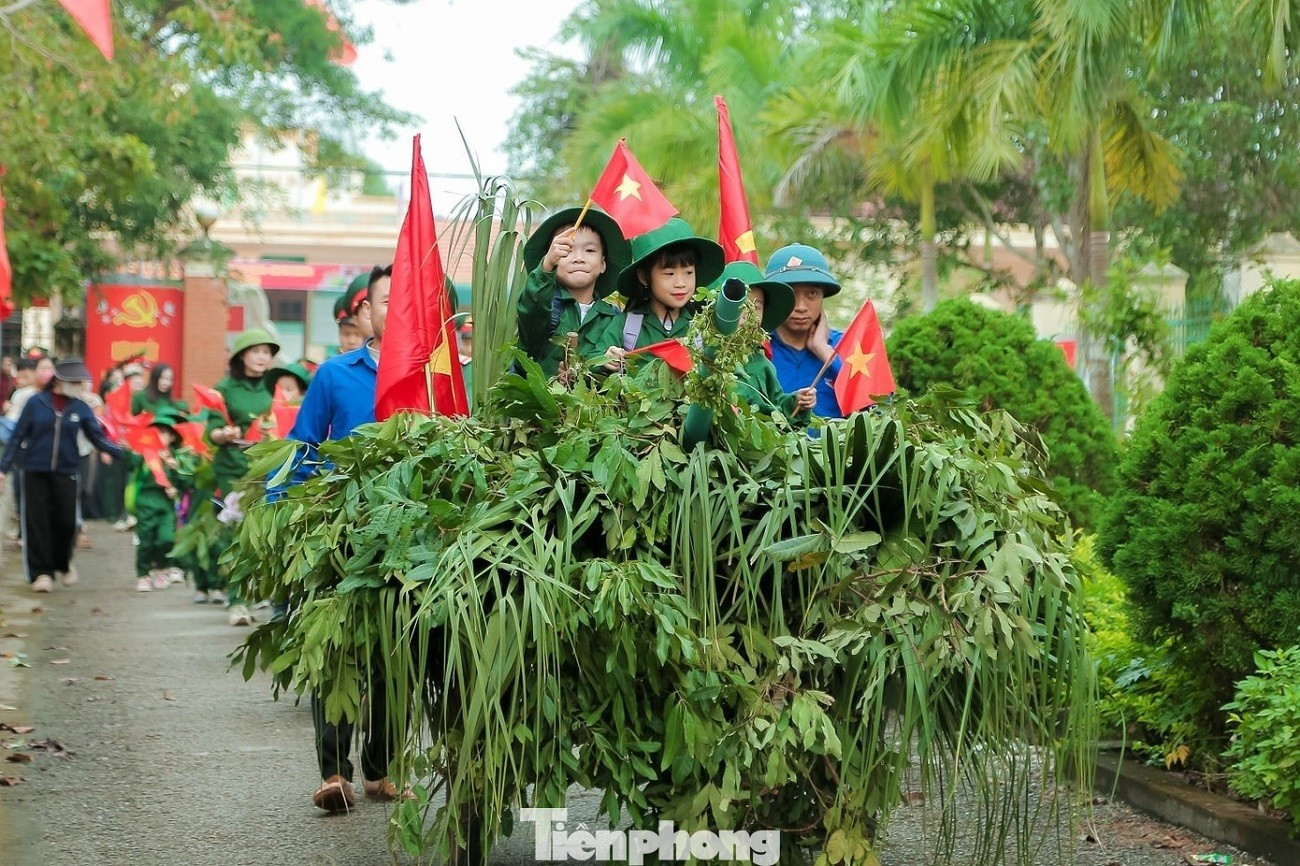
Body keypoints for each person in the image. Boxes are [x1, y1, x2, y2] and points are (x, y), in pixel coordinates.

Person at [281, 266, 400, 812]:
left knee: (397, 653)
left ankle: (381, 767)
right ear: (366, 311)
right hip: (342, 533)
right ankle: (334, 772)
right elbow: (302, 447)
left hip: (410, 536)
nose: (398, 306)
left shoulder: (439, 374)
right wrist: (285, 512)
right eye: (387, 298)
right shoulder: (334, 374)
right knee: (337, 651)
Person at [0, 359, 124, 592]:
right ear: (60, 381)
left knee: (67, 522)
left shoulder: (80, 407)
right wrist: (3, 469)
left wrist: (122, 452)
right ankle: (42, 574)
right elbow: (17, 437)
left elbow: (97, 438)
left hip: (67, 471)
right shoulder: (36, 403)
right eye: (75, 382)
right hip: (34, 471)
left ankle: (63, 564)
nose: (80, 386)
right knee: (36, 522)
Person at [204, 328, 278, 626]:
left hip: (267, 466)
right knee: (238, 533)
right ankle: (237, 601)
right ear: (241, 356)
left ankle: (258, 591)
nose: (262, 357)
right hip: (233, 468)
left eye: (266, 352)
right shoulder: (224, 388)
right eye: (256, 351)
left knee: (263, 533)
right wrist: (223, 433)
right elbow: (211, 431)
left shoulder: (276, 386)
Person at [516, 205, 631, 377]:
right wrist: (546, 266)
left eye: (590, 250)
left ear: (603, 264)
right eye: (568, 250)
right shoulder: (545, 306)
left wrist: (607, 362)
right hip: (538, 394)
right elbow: (531, 308)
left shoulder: (613, 318)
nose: (579, 258)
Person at [598, 218, 725, 369]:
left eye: (689, 273)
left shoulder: (702, 328)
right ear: (644, 277)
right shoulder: (625, 325)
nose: (681, 283)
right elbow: (593, 360)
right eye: (669, 274)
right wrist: (606, 359)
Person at [708, 261, 816, 418]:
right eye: (742, 305)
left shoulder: (762, 363)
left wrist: (796, 402)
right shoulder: (705, 355)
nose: (749, 315)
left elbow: (776, 406)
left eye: (757, 307)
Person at [764, 243, 846, 419]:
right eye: (791, 294)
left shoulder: (845, 345)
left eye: (812, 294)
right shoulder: (759, 348)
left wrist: (824, 351)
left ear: (823, 296)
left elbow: (877, 404)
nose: (801, 307)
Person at [131, 410, 191, 593]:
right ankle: (143, 574)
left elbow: (185, 483)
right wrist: (131, 449)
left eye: (164, 432)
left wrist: (176, 474)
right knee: (146, 541)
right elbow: (130, 465)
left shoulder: (176, 457)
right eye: (155, 431)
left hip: (166, 505)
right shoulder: (144, 454)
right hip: (146, 501)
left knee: (166, 539)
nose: (159, 435)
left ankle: (161, 568)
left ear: (172, 437)